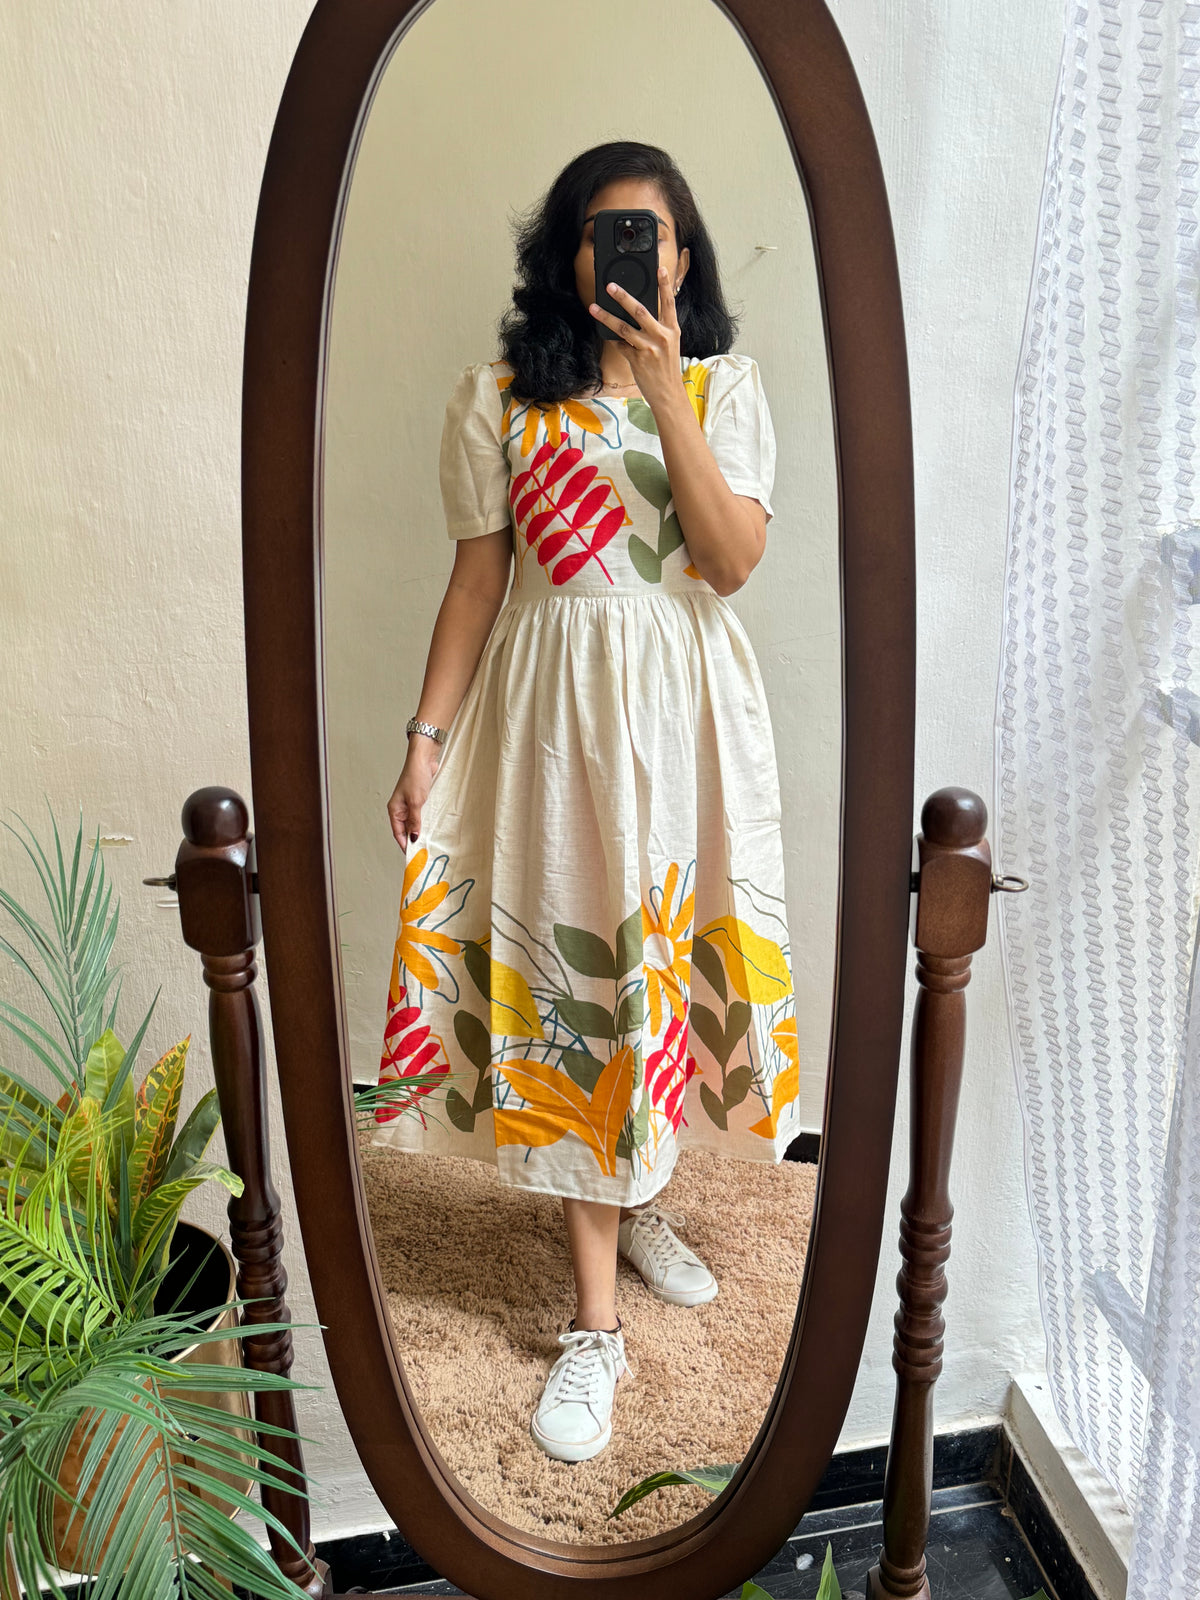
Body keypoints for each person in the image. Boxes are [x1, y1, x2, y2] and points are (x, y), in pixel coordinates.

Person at [374, 141, 801, 1463]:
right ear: (565, 257)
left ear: (682, 259)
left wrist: (666, 392)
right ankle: (595, 1327)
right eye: (599, 231)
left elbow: (729, 561)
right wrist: (425, 739)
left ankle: (639, 1193)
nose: (626, 254)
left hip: (684, 721)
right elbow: (477, 584)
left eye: (649, 234)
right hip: (555, 718)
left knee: (659, 975)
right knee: (581, 980)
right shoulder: (502, 400)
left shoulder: (725, 390)